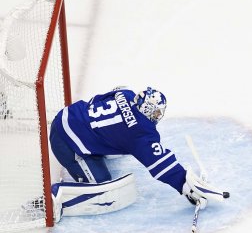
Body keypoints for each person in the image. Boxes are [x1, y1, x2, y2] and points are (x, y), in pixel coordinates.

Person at [48, 86, 228, 221]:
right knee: (102, 186)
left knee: (116, 141)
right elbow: (161, 165)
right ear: (148, 109)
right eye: (156, 112)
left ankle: (91, 144)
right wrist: (185, 186)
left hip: (65, 116)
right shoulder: (140, 132)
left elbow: (97, 100)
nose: (158, 116)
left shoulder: (125, 94)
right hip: (66, 143)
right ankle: (55, 197)